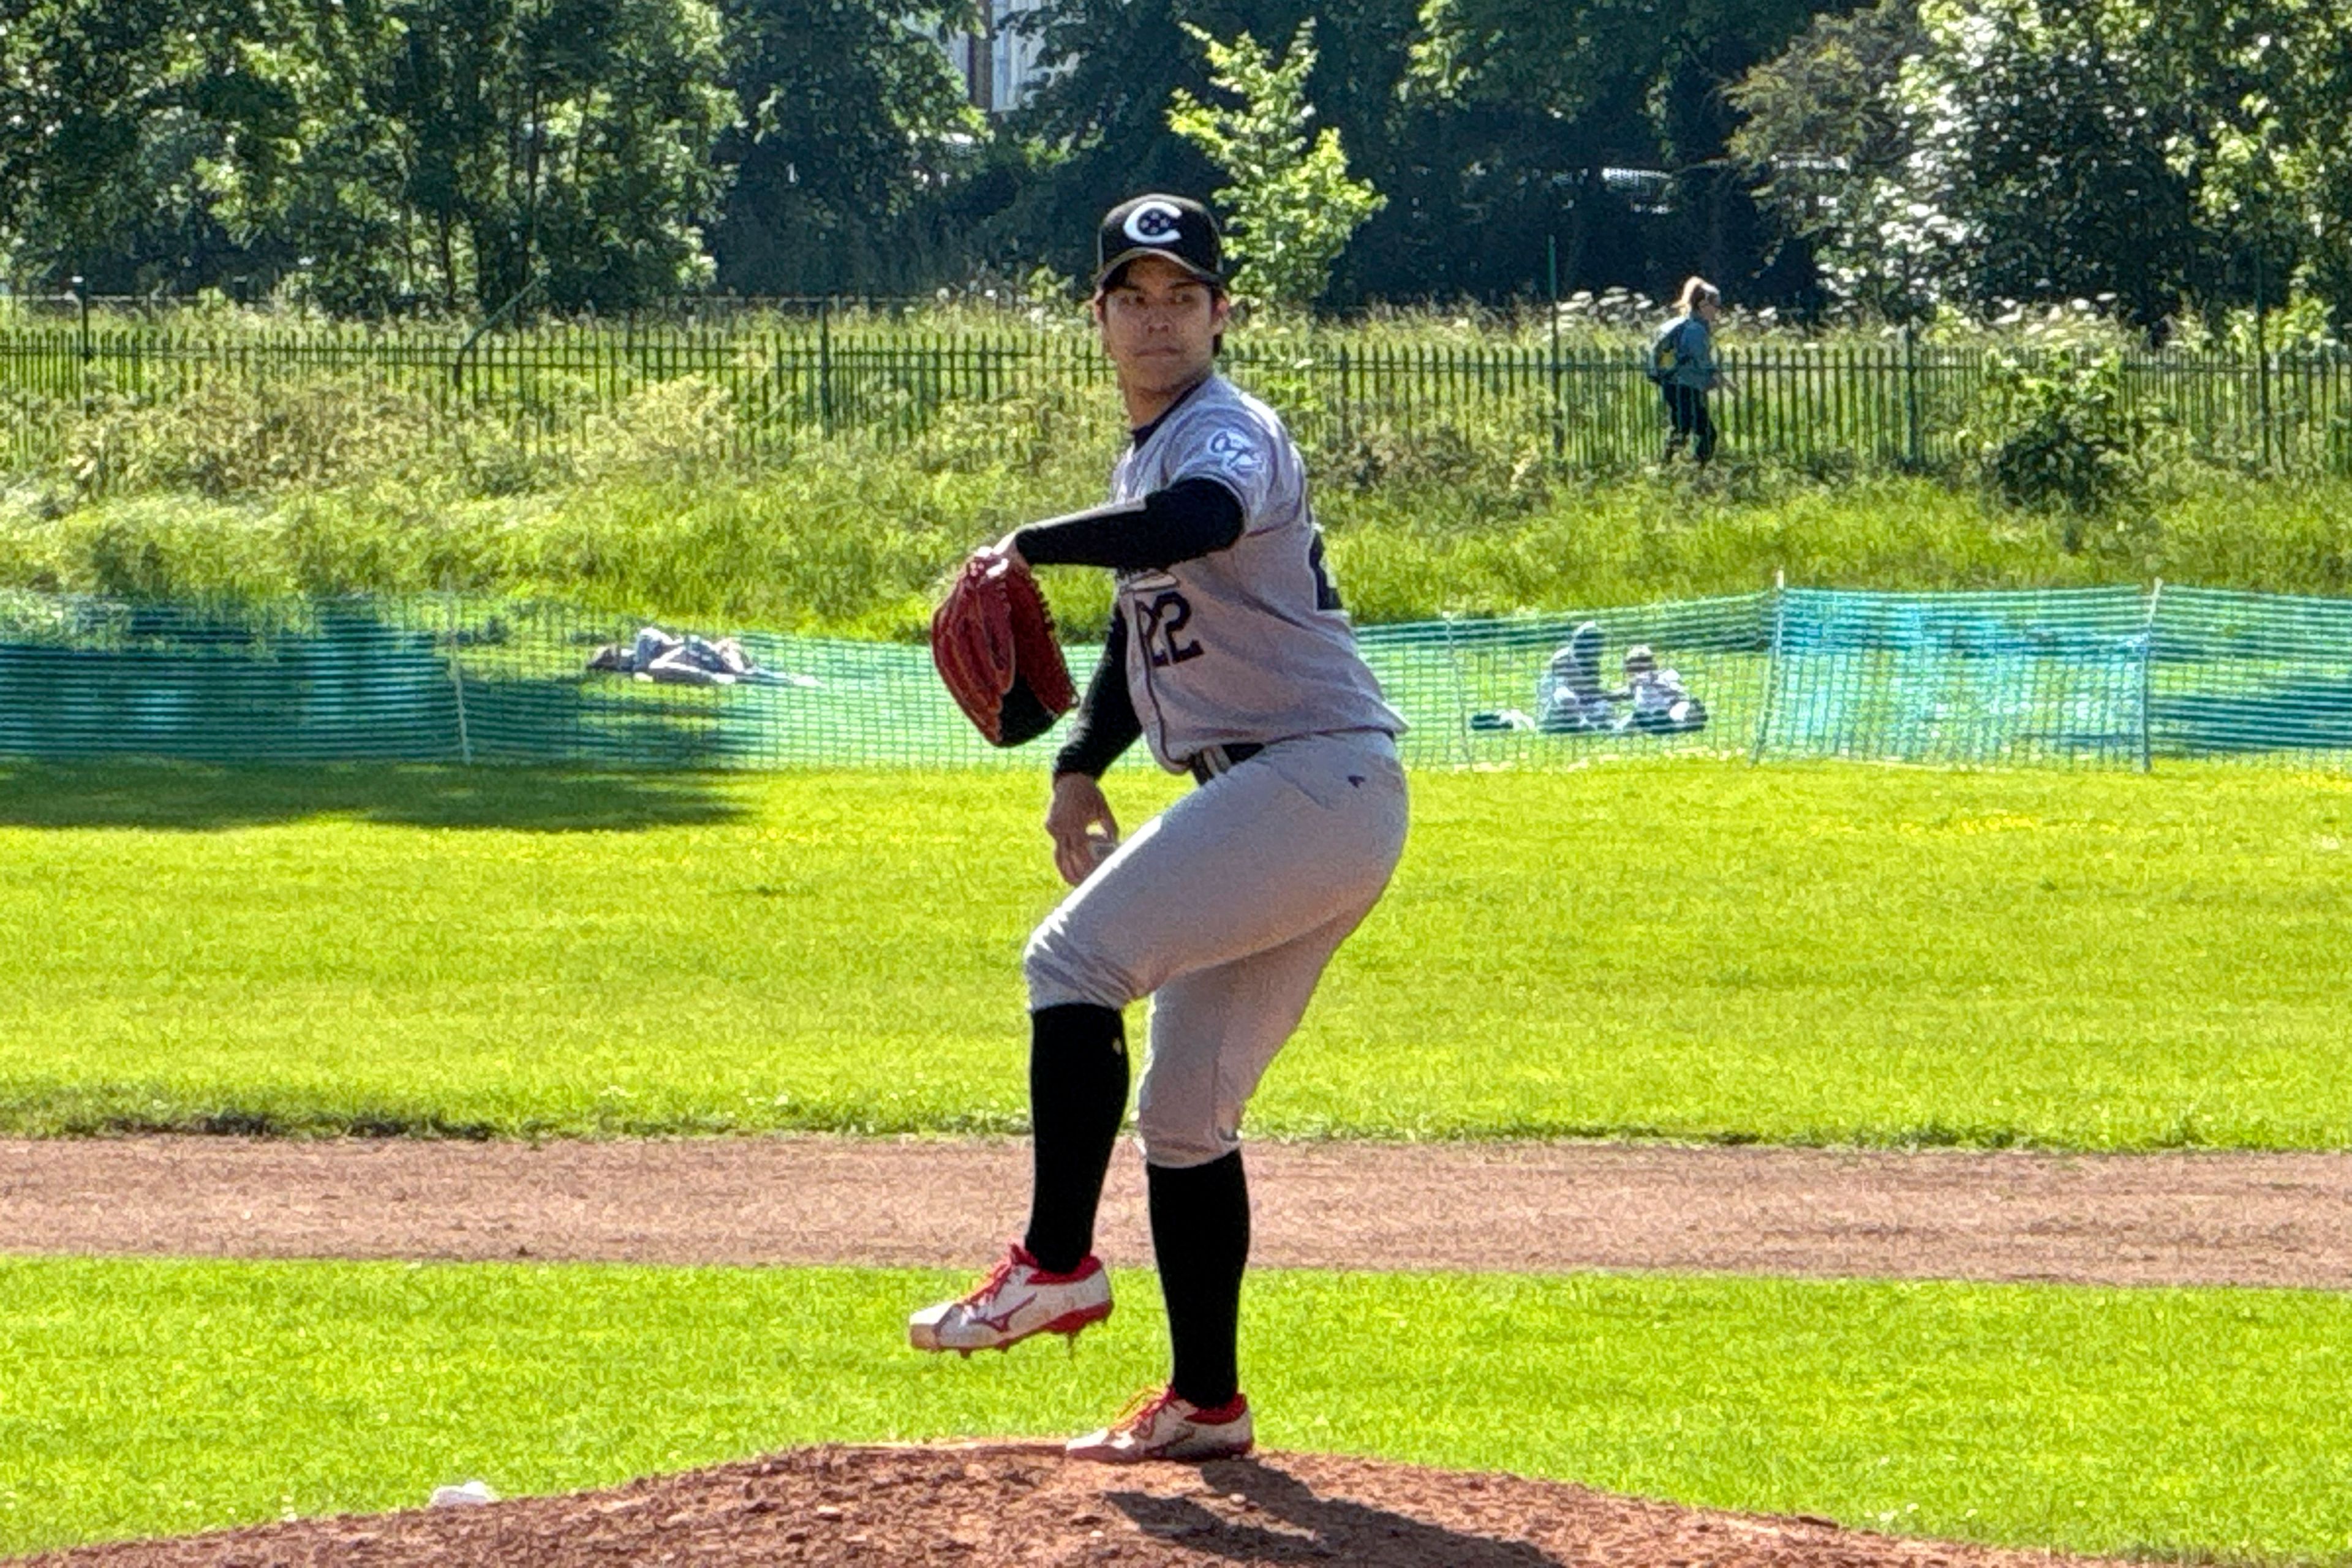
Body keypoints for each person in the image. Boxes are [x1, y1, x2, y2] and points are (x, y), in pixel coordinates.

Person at [905, 193, 1410, 1465]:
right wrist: (1080, 766)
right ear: (1100, 316)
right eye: (1134, 295)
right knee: (1186, 1114)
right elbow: (1145, 635)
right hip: (1300, 797)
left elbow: (1201, 525)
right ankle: (1206, 1401)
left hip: (1309, 779)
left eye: (1183, 294)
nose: (1158, 316)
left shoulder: (1225, 431)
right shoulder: (1148, 453)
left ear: (1220, 312)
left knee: (1069, 963)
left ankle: (1056, 1262)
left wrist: (1029, 540)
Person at [1649, 277, 1736, 466]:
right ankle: (1697, 471)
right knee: (1707, 433)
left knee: (1682, 428)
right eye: (1716, 306)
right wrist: (1720, 379)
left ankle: (1669, 467)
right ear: (1704, 305)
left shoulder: (1677, 324)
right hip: (1685, 385)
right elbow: (1701, 359)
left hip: (1671, 383)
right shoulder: (1696, 329)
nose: (1718, 311)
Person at [1614, 644, 1708, 735]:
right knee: (1634, 717)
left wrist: (1655, 682)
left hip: (1671, 708)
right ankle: (1619, 729)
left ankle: (1690, 718)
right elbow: (1621, 694)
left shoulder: (1663, 676)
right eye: (1637, 666)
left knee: (1681, 708)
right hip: (1652, 717)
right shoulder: (1635, 686)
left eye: (1645, 663)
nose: (1642, 669)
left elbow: (1678, 692)